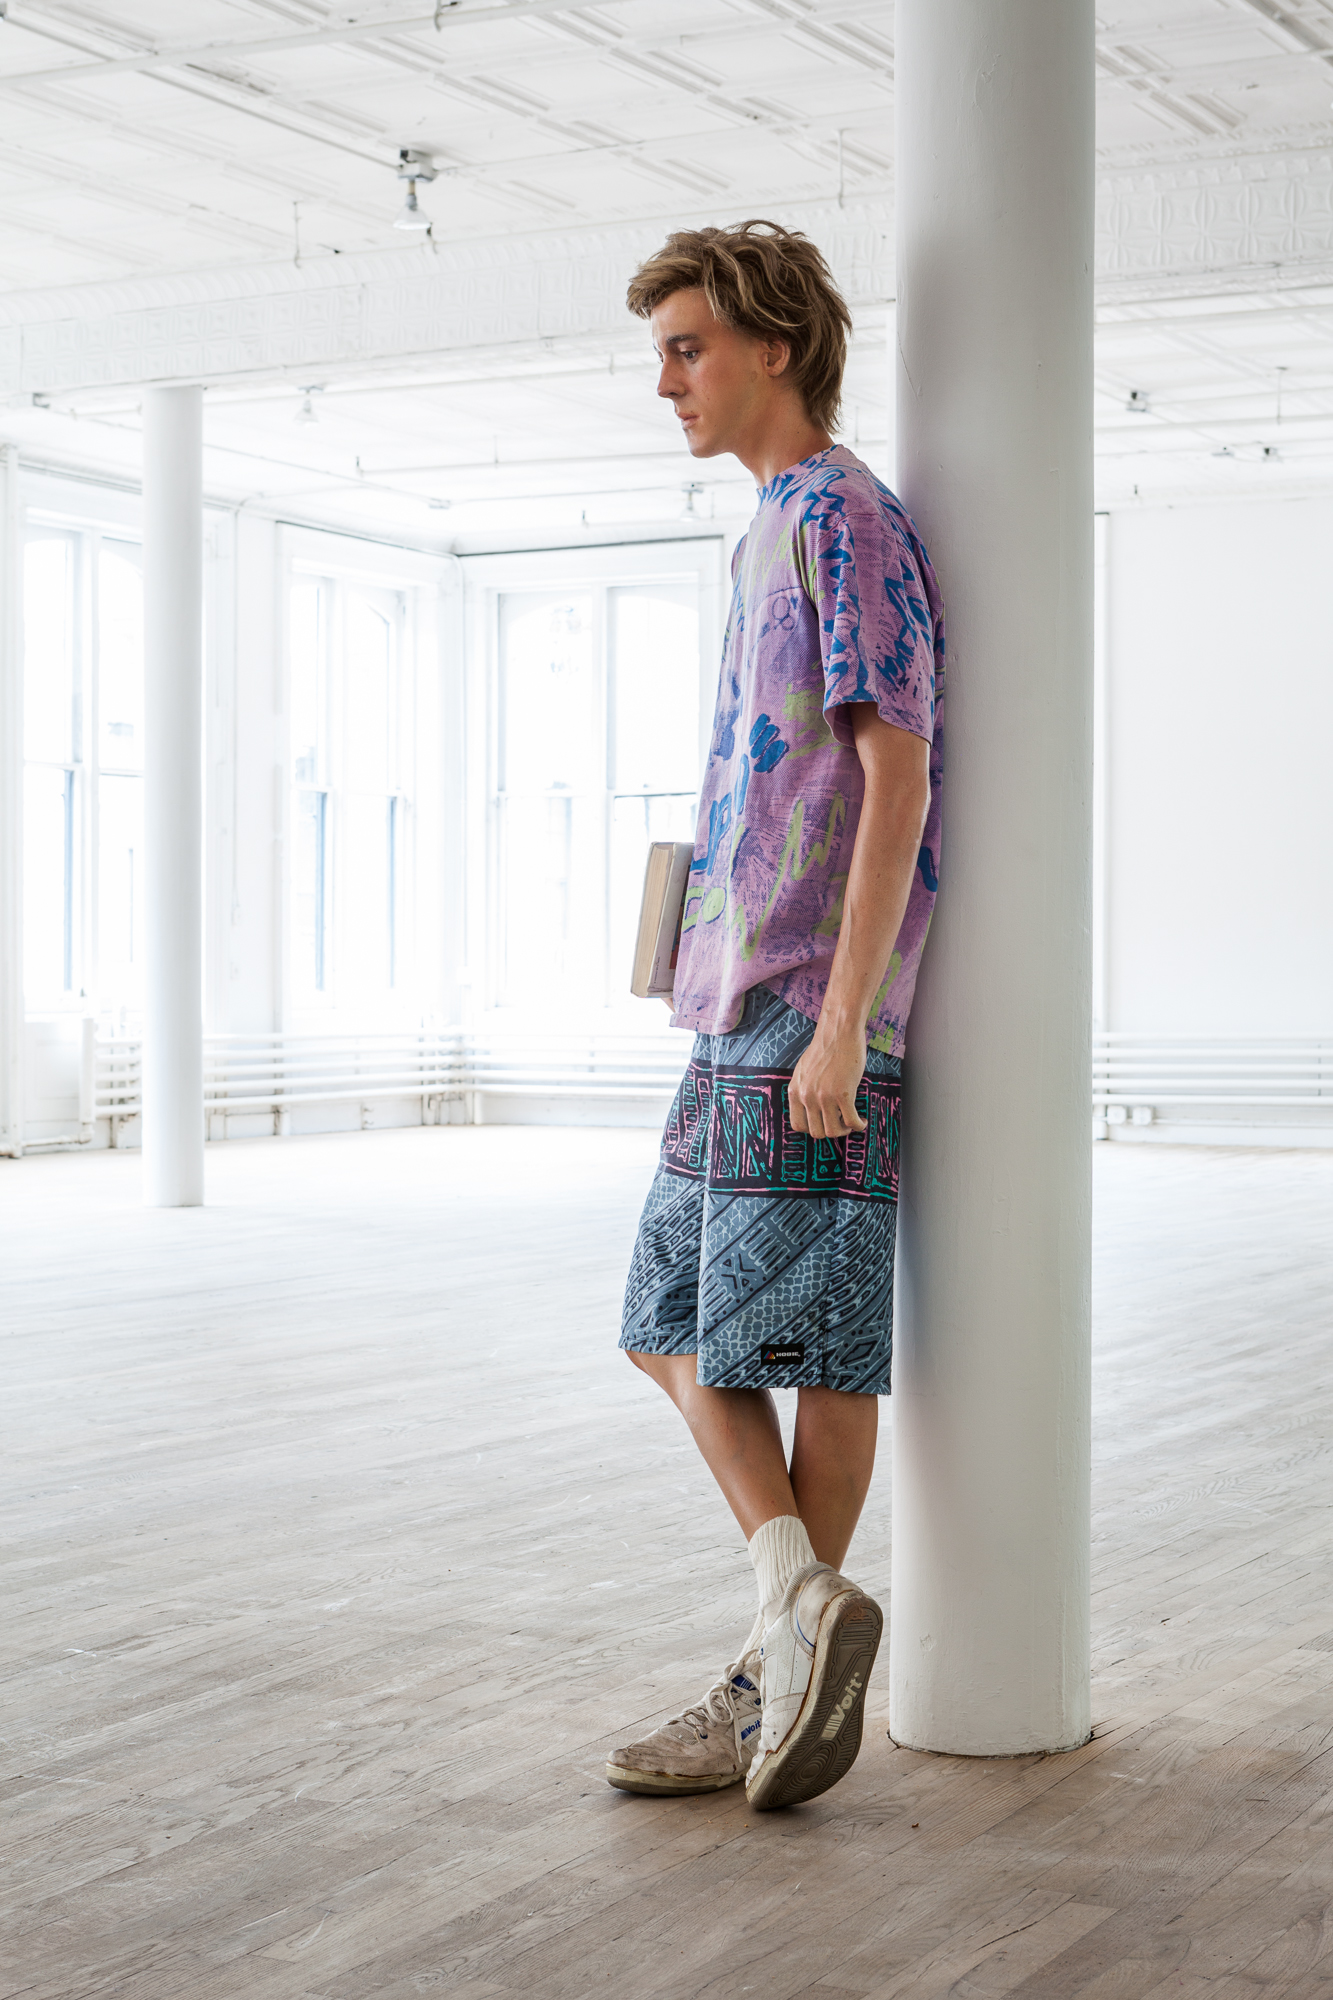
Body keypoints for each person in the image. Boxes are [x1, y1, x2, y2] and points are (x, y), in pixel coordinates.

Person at [606, 221, 945, 1812]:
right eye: (663, 350)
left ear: (773, 348)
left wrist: (844, 1022)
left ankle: (764, 1684)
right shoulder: (764, 530)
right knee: (663, 1326)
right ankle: (797, 1613)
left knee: (809, 1349)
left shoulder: (842, 517)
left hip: (808, 1011)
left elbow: (898, 774)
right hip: (727, 1001)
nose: (665, 378)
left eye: (686, 346)